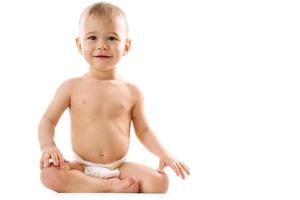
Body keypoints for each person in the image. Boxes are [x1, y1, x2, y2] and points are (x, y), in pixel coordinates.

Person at [38, 2, 190, 193]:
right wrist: (48, 147)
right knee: (49, 175)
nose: (102, 45)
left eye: (111, 38)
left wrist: (164, 153)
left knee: (160, 182)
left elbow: (144, 130)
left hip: (118, 167)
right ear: (79, 44)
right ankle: (107, 187)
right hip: (81, 166)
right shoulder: (71, 87)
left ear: (126, 46)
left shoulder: (131, 91)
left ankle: (99, 186)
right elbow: (48, 120)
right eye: (92, 37)